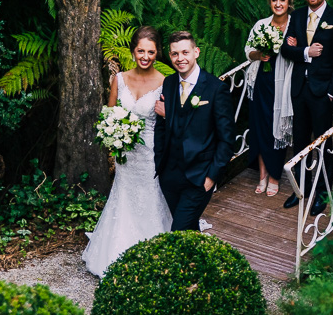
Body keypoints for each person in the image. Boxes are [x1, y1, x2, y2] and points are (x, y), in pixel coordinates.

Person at [83, 26, 172, 278]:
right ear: (133, 51)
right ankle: (117, 249)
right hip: (125, 153)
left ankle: (153, 250)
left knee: (150, 195)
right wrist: (113, 134)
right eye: (141, 50)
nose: (145, 56)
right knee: (123, 194)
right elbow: (109, 113)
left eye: (151, 51)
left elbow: (170, 121)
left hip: (150, 152)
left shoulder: (164, 82)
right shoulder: (119, 79)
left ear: (157, 53)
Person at [280, 0, 333, 216]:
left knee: (322, 143)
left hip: (323, 92)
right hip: (299, 89)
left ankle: (322, 193)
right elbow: (286, 50)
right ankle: (301, 188)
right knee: (299, 142)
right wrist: (305, 51)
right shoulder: (297, 16)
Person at [154, 31, 235, 231]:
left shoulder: (216, 89)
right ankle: (196, 262)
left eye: (185, 52)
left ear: (196, 52)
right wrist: (160, 161)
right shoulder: (169, 83)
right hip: (170, 174)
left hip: (199, 176)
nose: (180, 58)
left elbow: (227, 139)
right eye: (174, 54)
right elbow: (162, 127)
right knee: (189, 230)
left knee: (178, 230)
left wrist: (211, 178)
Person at [244, 0, 295, 197]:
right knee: (261, 128)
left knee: (279, 128)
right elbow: (248, 50)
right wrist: (259, 54)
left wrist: (294, 44)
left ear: (289, 2)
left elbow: (303, 50)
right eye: (274, 0)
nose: (278, 4)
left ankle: (275, 175)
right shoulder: (261, 24)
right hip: (262, 81)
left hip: (285, 84)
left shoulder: (296, 24)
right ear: (270, 2)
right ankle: (263, 175)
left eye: (282, 0)